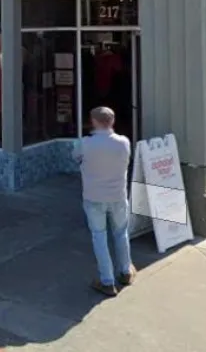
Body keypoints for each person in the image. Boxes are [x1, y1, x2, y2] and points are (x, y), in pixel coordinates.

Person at [72, 106, 136, 296]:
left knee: (99, 236)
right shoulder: (124, 142)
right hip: (118, 196)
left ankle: (107, 280)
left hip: (94, 197)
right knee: (121, 233)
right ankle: (125, 271)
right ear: (112, 122)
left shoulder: (84, 143)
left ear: (93, 121)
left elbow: (75, 158)